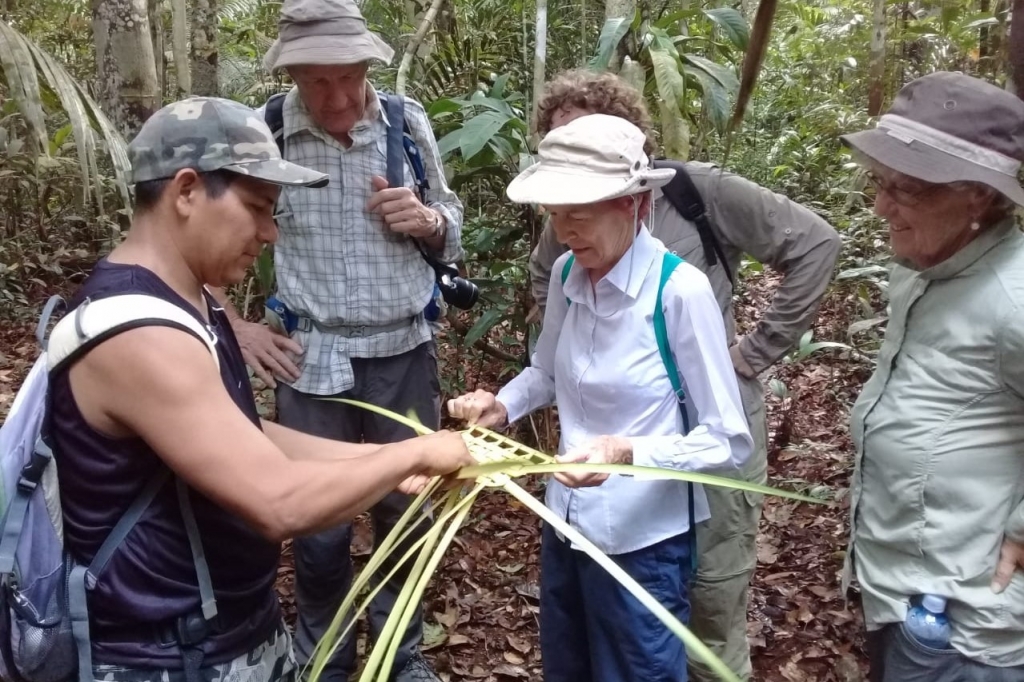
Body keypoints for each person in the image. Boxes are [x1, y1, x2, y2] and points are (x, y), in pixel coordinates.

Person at [47, 96, 473, 682]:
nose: (270, 233)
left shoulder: (188, 301)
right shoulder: (140, 334)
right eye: (255, 208)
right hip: (164, 656)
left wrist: (387, 460)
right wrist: (415, 453)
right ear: (187, 191)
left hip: (225, 634)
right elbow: (280, 502)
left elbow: (246, 434)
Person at [529, 69, 841, 681]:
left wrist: (752, 353)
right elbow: (549, 285)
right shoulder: (570, 225)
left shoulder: (699, 194)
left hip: (712, 420)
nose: (572, 161)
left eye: (589, 142)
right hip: (612, 462)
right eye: (560, 147)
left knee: (710, 598)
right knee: (620, 624)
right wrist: (576, 338)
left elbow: (815, 244)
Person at [448, 114, 753, 682]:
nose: (565, 232)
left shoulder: (678, 291)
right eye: (555, 214)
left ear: (635, 205)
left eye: (580, 215)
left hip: (645, 544)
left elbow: (728, 440)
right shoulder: (568, 273)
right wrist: (502, 405)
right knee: (570, 667)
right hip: (565, 523)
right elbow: (546, 371)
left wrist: (625, 453)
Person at [213, 1, 465, 680]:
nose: (339, 98)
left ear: (367, 66)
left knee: (405, 514)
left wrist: (427, 221)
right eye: (318, 81)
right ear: (291, 74)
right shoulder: (265, 133)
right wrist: (237, 327)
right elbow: (198, 240)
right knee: (319, 530)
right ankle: (321, 656)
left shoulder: (405, 122)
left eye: (350, 77)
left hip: (403, 353)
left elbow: (452, 223)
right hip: (310, 360)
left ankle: (399, 655)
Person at [840, 71, 1024, 680]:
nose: (882, 207)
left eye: (909, 189)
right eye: (881, 182)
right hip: (901, 595)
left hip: (968, 627)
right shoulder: (921, 269)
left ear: (979, 197)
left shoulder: (1013, 299)